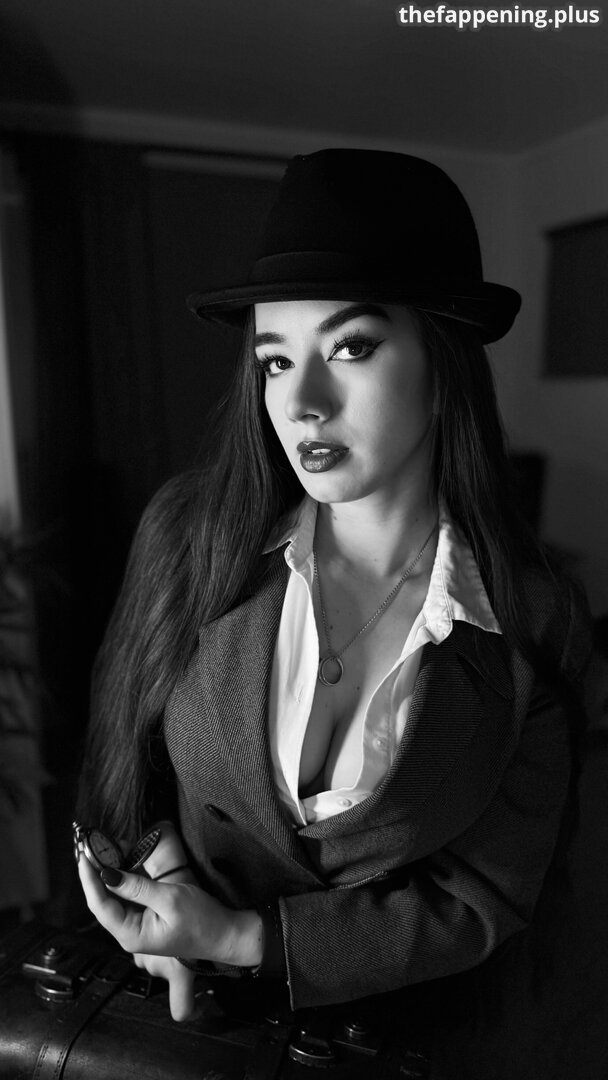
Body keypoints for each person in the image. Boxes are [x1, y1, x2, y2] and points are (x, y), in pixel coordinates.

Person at [76, 149, 590, 1075]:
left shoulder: (533, 615)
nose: (301, 403)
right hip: (177, 1037)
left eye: (351, 347)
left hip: (402, 1045)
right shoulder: (193, 536)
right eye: (276, 360)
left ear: (443, 364)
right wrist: (171, 901)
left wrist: (247, 940)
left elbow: (490, 893)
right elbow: (122, 771)